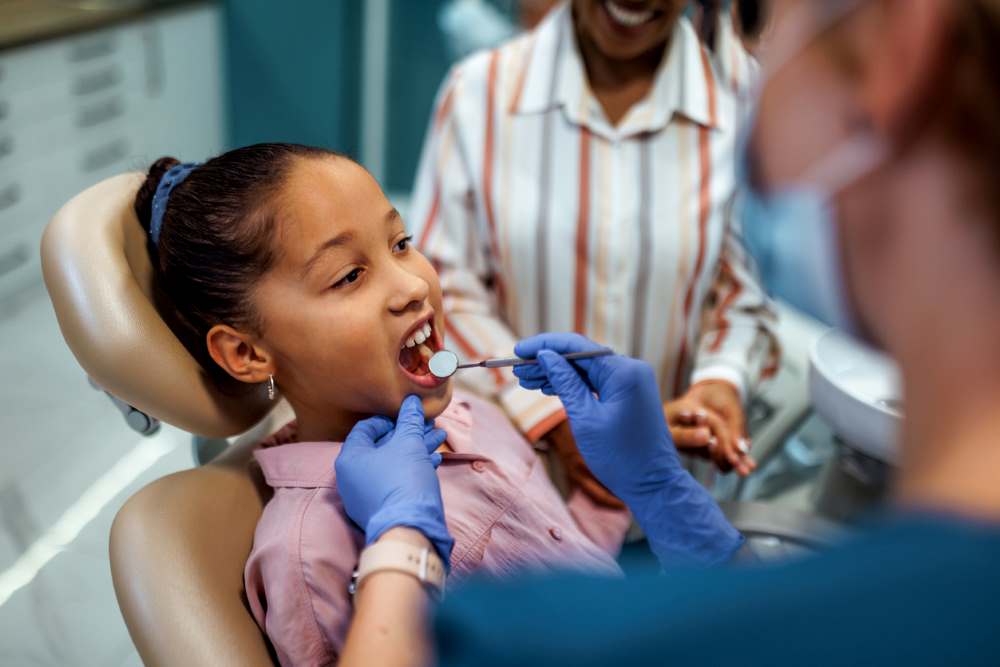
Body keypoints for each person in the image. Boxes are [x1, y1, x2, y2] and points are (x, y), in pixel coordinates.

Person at [335, 0, 1000, 664]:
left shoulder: (521, 638)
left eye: (755, 19)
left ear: (900, 47)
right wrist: (671, 503)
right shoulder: (480, 94)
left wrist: (400, 543)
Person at [131, 144, 634, 666]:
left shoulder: (470, 414)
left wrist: (623, 481)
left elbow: (566, 558)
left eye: (400, 243)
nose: (414, 285)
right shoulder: (310, 553)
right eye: (348, 276)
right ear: (247, 352)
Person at [409, 0, 778, 496]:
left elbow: (745, 296)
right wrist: (553, 416)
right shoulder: (479, 93)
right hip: (518, 494)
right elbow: (443, 290)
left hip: (672, 493)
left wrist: (720, 382)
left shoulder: (745, 103)